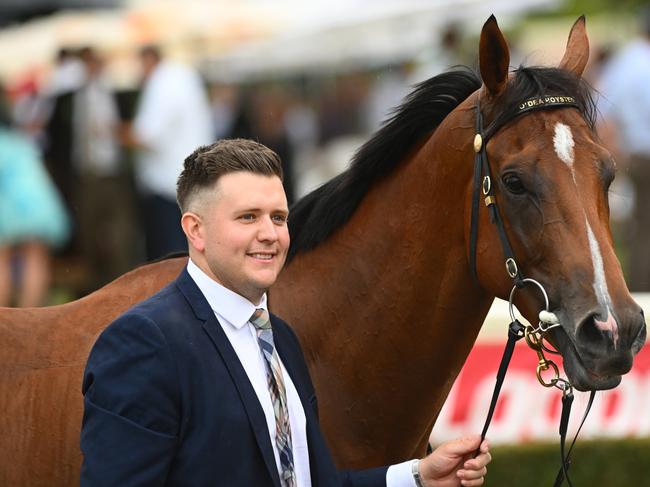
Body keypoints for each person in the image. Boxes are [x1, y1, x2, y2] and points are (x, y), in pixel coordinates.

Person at [80, 139, 491, 486]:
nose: (270, 234)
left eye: (278, 217)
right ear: (195, 230)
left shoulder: (281, 339)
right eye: (248, 217)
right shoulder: (144, 343)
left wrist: (417, 477)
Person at [122, 45, 213, 261]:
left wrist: (110, 131)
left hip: (169, 187)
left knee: (170, 259)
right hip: (192, 182)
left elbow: (145, 135)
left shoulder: (163, 81)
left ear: (148, 59)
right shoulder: (185, 76)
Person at [0, 86, 70, 306]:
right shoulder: (18, 138)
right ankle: (28, 316)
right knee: (35, 258)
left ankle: (5, 321)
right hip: (39, 204)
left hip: (9, 206)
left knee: (2, 260)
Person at [597, 6, 650, 291]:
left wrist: (612, 151)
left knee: (641, 229)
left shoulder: (624, 60)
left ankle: (638, 287)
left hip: (634, 154)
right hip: (646, 152)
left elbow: (603, 111)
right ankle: (643, 290)